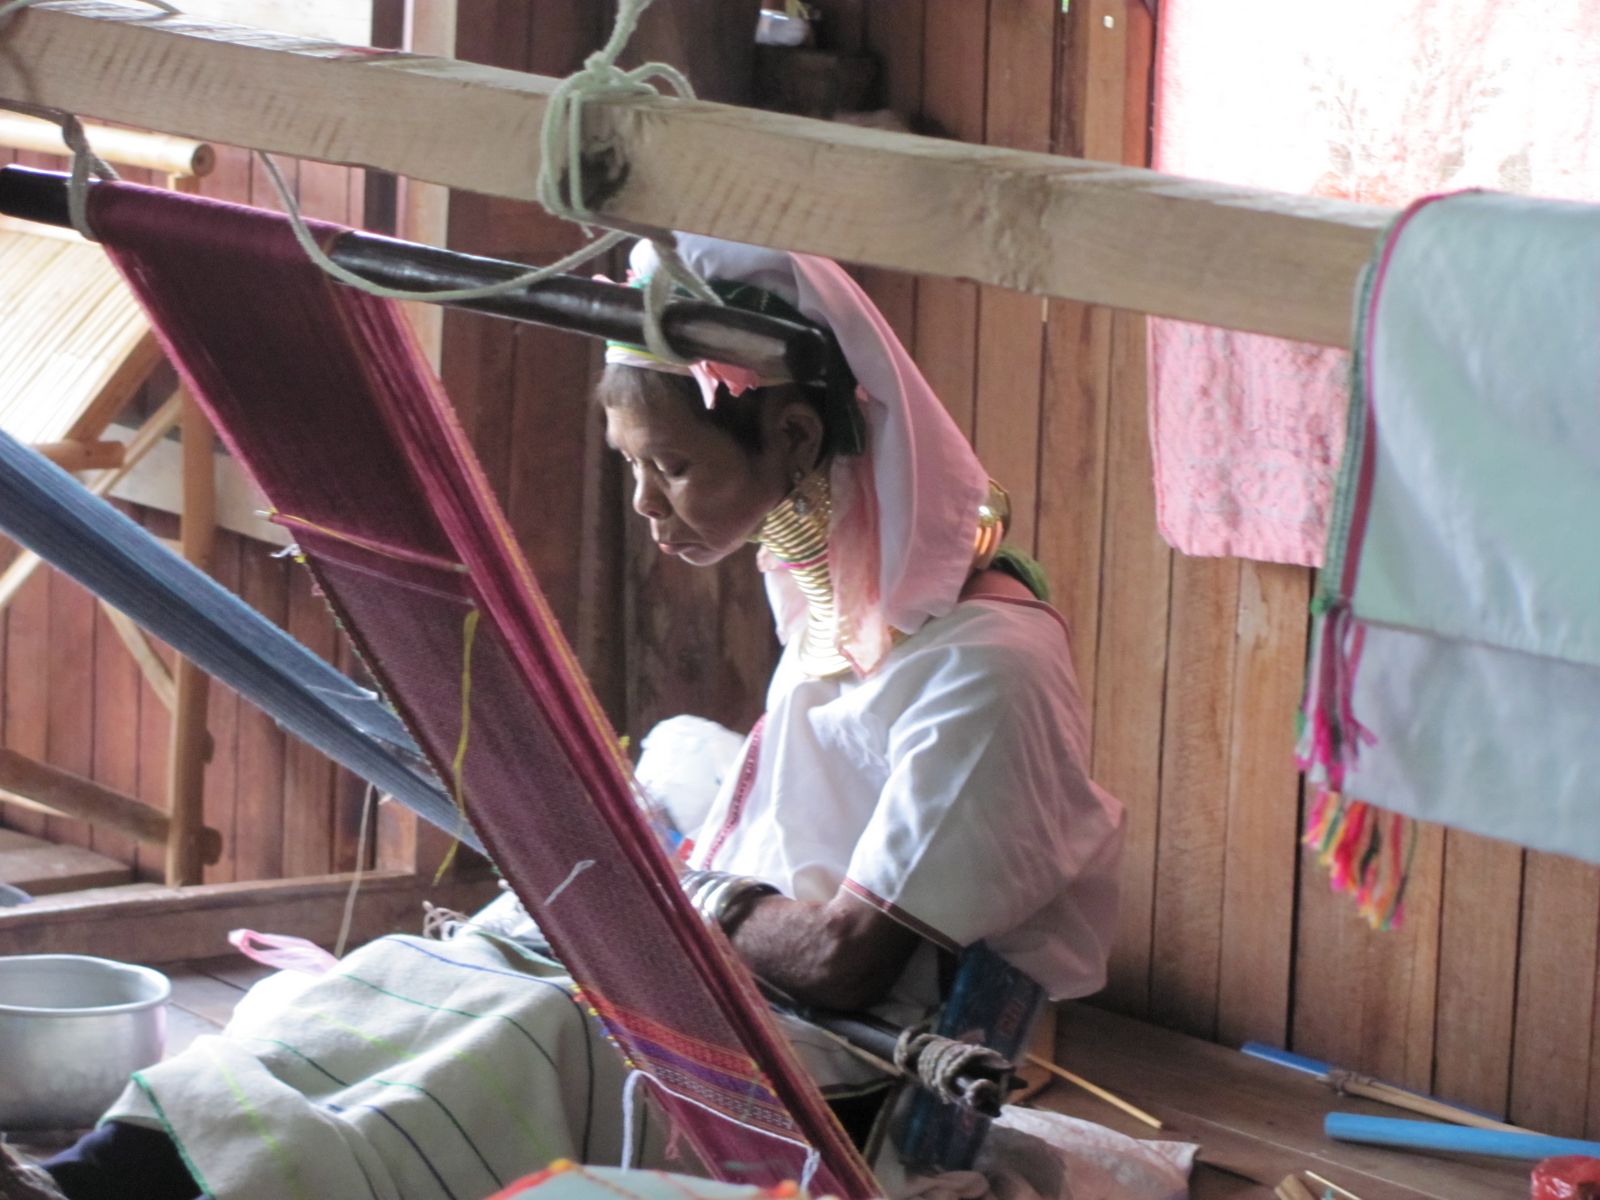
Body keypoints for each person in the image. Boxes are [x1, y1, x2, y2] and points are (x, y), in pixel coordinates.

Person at [0, 236, 1123, 1200]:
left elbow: (840, 961)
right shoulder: (831, 593)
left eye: (673, 467)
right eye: (632, 466)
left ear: (791, 437)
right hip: (719, 969)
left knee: (521, 1032)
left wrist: (669, 886)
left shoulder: (985, 668)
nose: (645, 506)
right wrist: (668, 888)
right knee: (402, 979)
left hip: (825, 1061)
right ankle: (100, 1172)